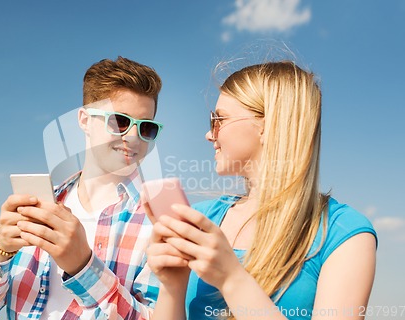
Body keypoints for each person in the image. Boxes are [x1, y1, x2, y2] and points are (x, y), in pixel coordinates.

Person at [146, 61, 377, 320]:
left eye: (218, 119)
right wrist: (172, 287)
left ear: (267, 125)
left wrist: (232, 279)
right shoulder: (201, 219)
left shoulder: (342, 232)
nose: (209, 135)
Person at [0, 56, 163, 319]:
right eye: (120, 122)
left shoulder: (159, 223)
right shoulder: (40, 204)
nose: (133, 137)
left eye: (146, 127)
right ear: (85, 120)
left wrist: (82, 268)